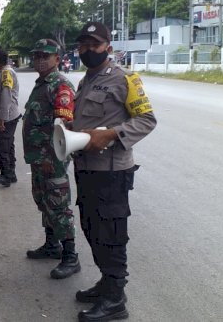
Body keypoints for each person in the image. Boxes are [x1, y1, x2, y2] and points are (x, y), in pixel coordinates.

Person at [69, 22, 156, 322]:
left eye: (94, 44)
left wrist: (111, 135)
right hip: (86, 168)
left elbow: (146, 120)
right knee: (91, 228)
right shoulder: (85, 81)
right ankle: (106, 283)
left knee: (111, 234)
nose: (87, 50)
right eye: (83, 45)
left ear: (108, 46)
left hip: (111, 172)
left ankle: (116, 299)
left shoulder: (125, 78)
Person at [22, 38, 80, 280]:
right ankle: (51, 245)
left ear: (57, 59)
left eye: (45, 56)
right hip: (39, 158)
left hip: (52, 158)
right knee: (44, 201)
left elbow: (64, 123)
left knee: (58, 205)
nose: (40, 60)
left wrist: (54, 157)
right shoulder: (42, 83)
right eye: (37, 56)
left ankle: (70, 256)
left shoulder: (60, 85)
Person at [0, 50, 21, 187]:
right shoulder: (6, 72)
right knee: (8, 144)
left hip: (8, 117)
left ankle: (6, 175)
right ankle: (11, 174)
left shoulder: (6, 73)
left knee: (1, 145)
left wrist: (2, 119)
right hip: (10, 115)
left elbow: (6, 96)